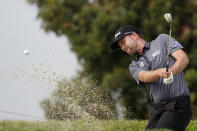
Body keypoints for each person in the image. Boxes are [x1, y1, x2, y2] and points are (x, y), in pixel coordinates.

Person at [110, 25, 192, 131]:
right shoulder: (134, 65)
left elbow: (183, 59)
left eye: (123, 42)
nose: (122, 47)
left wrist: (171, 72)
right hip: (159, 108)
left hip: (177, 104)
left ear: (134, 35)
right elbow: (143, 76)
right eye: (120, 46)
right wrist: (158, 73)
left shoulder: (162, 40)